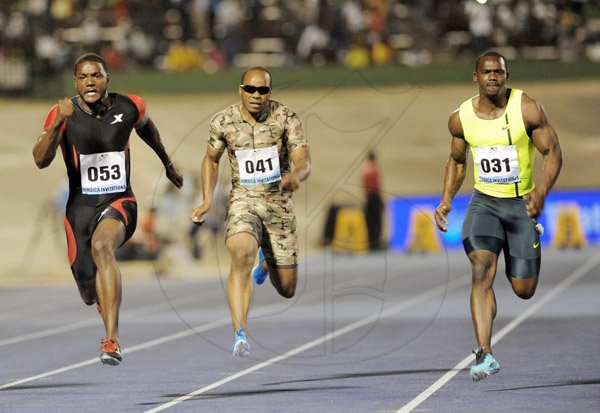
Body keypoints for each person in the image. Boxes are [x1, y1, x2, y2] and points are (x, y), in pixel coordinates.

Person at [32, 52, 183, 365]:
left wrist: (167, 163)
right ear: (75, 82)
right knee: (88, 290)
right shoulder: (62, 112)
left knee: (103, 248)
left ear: (107, 79)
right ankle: (102, 296)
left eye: (96, 75)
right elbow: (40, 160)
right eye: (84, 77)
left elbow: (147, 128)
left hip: (119, 202)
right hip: (80, 209)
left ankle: (112, 340)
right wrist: (57, 124)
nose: (90, 81)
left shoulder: (129, 106)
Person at [434, 51, 562, 381]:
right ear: (475, 77)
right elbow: (457, 161)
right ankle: (485, 353)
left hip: (522, 206)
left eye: (499, 72)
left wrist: (541, 192)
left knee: (524, 289)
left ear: (507, 76)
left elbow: (551, 152)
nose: (493, 76)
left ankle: (525, 243)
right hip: (484, 204)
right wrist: (446, 200)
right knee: (481, 268)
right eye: (487, 71)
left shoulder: (528, 108)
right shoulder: (460, 118)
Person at [190, 66, 311, 357]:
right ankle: (239, 332)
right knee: (240, 254)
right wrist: (207, 199)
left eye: (263, 90)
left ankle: (267, 259)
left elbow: (304, 159)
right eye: (251, 90)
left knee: (287, 288)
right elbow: (210, 159)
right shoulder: (223, 121)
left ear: (270, 92)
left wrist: (297, 175)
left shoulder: (286, 118)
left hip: (278, 203)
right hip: (243, 200)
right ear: (241, 90)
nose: (257, 96)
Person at [361, 150, 384, 250]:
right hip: (374, 197)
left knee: (369, 222)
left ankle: (371, 243)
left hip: (367, 197)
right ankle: (376, 243)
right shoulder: (374, 168)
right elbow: (377, 185)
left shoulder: (364, 168)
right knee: (377, 221)